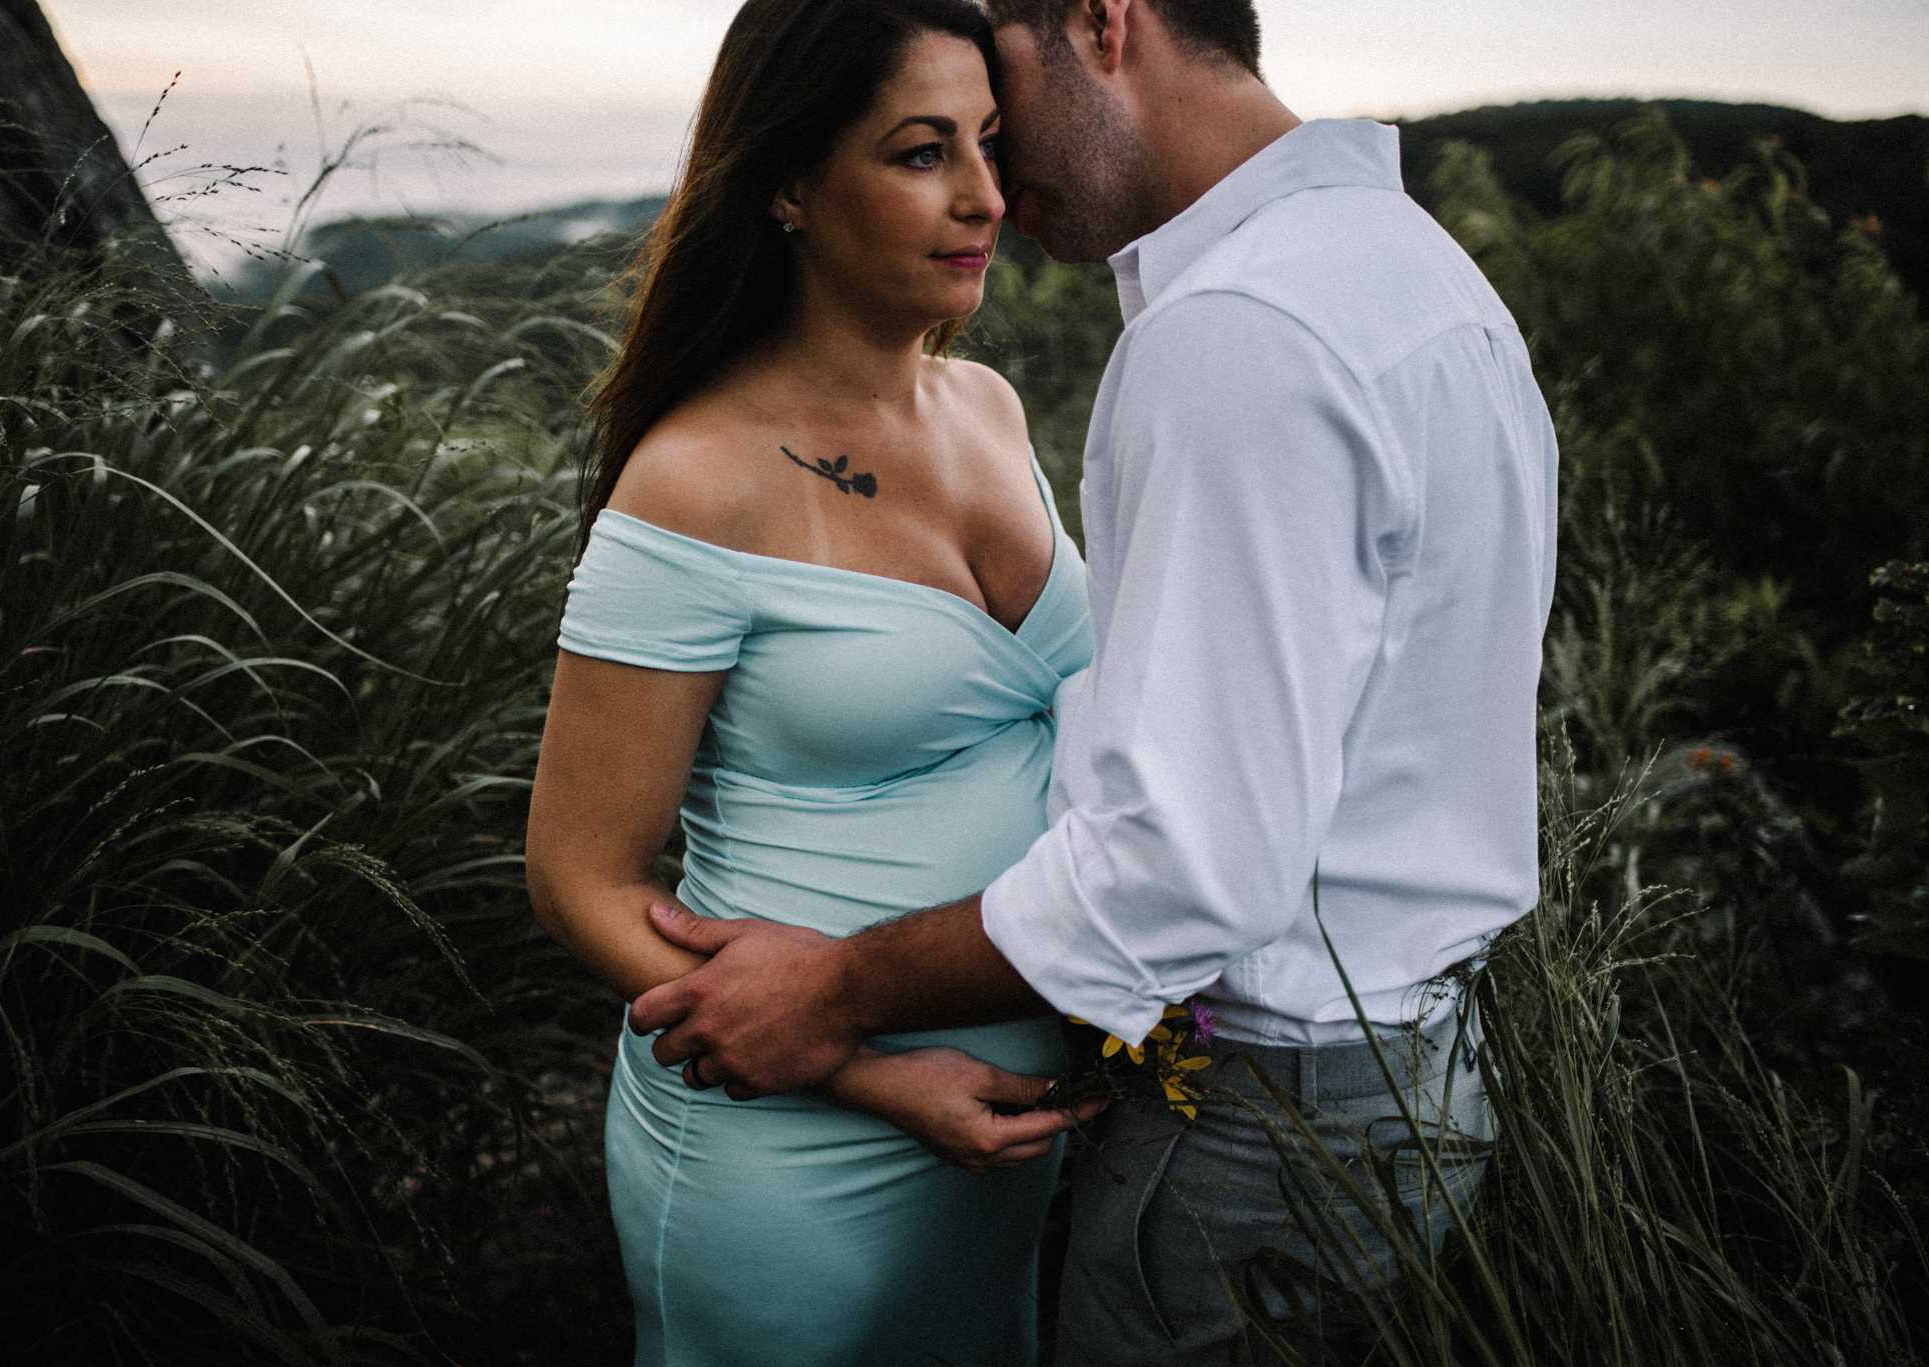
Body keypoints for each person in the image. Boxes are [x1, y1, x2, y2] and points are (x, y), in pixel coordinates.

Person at [629, 0, 1562, 1361]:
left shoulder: (1237, 333)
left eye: (999, 110)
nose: (997, 188)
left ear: (1101, 21)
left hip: (1265, 1130)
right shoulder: (1416, 278)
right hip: (1414, 1083)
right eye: (934, 145)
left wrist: (833, 998)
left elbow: (1184, 865)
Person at [524, 2, 1107, 1363]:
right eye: (920, 154)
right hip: (798, 1144)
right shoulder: (699, 480)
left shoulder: (990, 410)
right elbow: (577, 880)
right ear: (787, 183)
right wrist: (877, 1079)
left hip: (1007, 1125)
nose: (984, 196)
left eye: (989, 143)